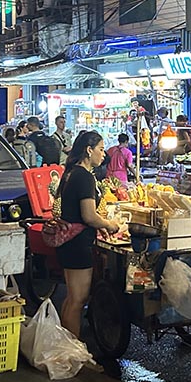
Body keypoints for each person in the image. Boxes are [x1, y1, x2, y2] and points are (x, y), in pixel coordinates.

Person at [55, 131, 120, 338]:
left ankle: (66, 344)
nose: (104, 154)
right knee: (78, 299)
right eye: (101, 149)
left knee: (71, 298)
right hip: (78, 245)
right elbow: (89, 216)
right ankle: (73, 348)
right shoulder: (84, 177)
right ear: (89, 150)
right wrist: (109, 224)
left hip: (70, 242)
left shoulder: (72, 172)